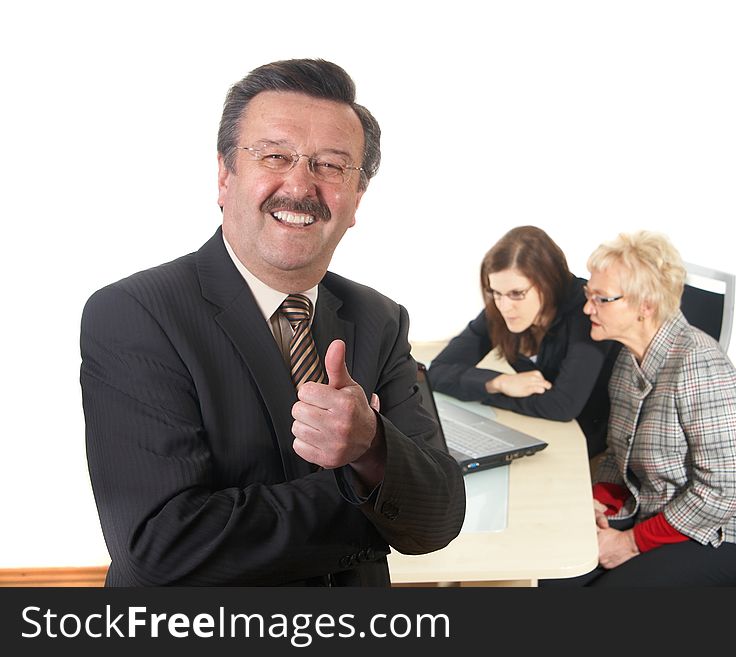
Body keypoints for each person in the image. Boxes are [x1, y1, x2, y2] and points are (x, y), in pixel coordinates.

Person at [80, 59, 465, 586]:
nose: (301, 186)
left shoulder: (379, 319)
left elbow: (440, 516)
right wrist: (373, 494)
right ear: (224, 175)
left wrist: (372, 444)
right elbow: (162, 545)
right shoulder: (136, 314)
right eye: (275, 156)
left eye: (332, 165)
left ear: (356, 200)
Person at [557, 230, 736, 586]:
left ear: (644, 307)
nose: (588, 309)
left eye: (601, 299)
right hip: (658, 508)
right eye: (589, 296)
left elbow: (719, 493)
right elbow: (619, 456)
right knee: (555, 576)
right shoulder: (628, 359)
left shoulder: (700, 368)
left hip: (730, 532)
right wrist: (600, 501)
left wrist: (629, 543)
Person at [428, 226, 618, 458]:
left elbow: (562, 405)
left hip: (586, 443)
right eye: (495, 293)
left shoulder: (587, 310)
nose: (504, 306)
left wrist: (481, 390)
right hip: (535, 429)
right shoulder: (501, 305)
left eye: (517, 293)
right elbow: (437, 372)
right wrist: (498, 383)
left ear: (547, 283)